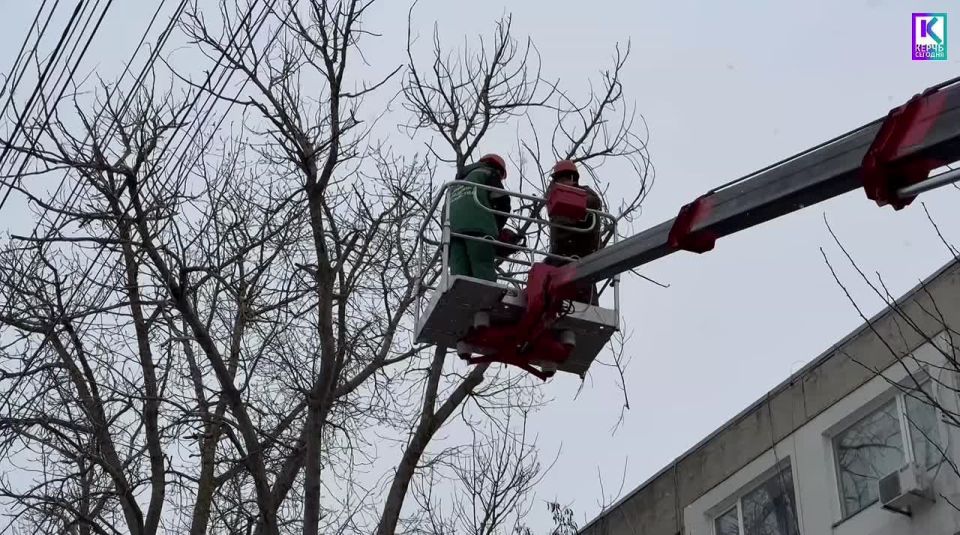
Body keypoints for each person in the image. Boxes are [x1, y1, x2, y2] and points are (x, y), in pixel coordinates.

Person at [447, 153, 520, 282]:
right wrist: (495, 230)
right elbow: (502, 202)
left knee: (459, 275)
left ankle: (461, 297)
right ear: (498, 169)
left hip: (452, 234)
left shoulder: (454, 186)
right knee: (482, 268)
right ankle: (487, 298)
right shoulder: (488, 173)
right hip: (479, 228)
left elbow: (444, 213)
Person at [544, 159, 603, 305]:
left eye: (562, 178)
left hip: (581, 254)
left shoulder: (585, 193)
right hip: (559, 256)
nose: (560, 182)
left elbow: (595, 202)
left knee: (584, 300)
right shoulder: (554, 198)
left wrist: (574, 197)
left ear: (571, 177)